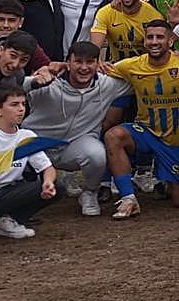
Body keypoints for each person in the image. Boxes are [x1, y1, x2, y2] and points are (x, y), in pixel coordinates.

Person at [104, 20, 179, 218]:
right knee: (114, 136)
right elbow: (98, 69)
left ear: (170, 41)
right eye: (150, 37)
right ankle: (128, 199)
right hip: (146, 132)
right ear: (144, 41)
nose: (154, 41)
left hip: (176, 140)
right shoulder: (131, 65)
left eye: (160, 37)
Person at [22, 42, 130, 217]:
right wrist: (34, 81)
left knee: (96, 154)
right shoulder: (49, 82)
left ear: (98, 63)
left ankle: (90, 192)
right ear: (68, 63)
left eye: (90, 62)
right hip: (37, 146)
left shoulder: (107, 84)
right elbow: (14, 86)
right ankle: (17, 207)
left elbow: (141, 77)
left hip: (74, 146)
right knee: (17, 169)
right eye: (78, 61)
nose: (84, 68)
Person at [0, 87, 60, 239]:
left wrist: (48, 183)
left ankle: (7, 221)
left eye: (23, 104)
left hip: (8, 193)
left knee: (58, 186)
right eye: (14, 104)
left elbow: (48, 168)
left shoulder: (26, 137)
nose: (21, 109)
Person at [90, 0, 163, 61]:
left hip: (145, 66)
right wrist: (97, 62)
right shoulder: (106, 12)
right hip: (116, 66)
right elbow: (94, 48)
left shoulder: (153, 15)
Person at [0, 0, 51, 69]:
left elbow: (46, 66)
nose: (6, 25)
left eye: (11, 20)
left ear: (20, 22)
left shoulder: (27, 42)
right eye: (0, 20)